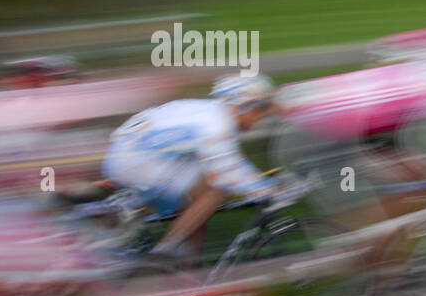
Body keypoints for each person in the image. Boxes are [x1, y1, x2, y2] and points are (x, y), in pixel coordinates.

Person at [102, 74, 293, 261]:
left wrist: (257, 183)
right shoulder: (217, 125)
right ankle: (164, 252)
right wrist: (271, 190)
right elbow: (228, 173)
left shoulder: (208, 110)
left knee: (196, 221)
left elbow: (227, 160)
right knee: (216, 189)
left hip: (127, 155)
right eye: (260, 110)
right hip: (138, 162)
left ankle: (185, 277)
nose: (260, 118)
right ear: (242, 105)